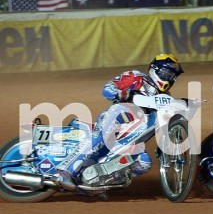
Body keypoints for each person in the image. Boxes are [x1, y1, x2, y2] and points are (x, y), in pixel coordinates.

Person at [51, 55, 185, 189]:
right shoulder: (137, 77)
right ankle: (64, 172)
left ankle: (98, 183)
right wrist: (123, 93)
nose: (169, 78)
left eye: (172, 76)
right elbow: (108, 88)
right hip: (118, 115)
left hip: (133, 136)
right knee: (100, 139)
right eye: (167, 73)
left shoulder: (166, 98)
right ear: (155, 70)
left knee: (143, 163)